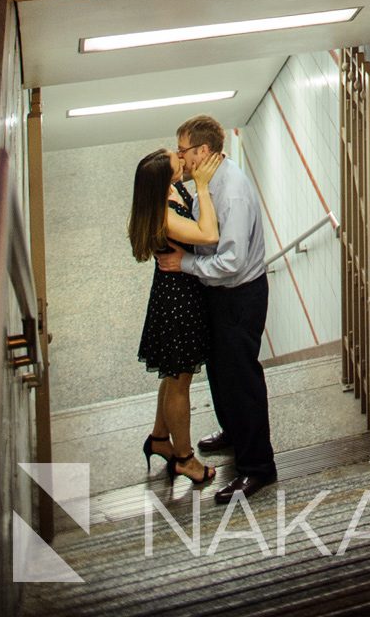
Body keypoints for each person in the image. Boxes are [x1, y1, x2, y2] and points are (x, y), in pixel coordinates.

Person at [156, 114, 277, 503]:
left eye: (183, 151)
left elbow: (232, 262)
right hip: (219, 293)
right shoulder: (212, 183)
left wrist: (184, 265)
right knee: (220, 374)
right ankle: (234, 432)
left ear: (203, 151)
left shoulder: (232, 193)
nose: (181, 158)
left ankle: (258, 467)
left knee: (241, 380)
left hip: (239, 296)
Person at [129, 144, 222, 489]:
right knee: (180, 380)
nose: (182, 161)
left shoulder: (170, 190)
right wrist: (201, 186)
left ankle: (158, 438)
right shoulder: (164, 214)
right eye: (176, 162)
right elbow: (208, 234)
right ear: (164, 180)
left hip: (180, 293)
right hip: (177, 301)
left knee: (171, 374)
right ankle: (184, 459)